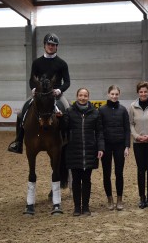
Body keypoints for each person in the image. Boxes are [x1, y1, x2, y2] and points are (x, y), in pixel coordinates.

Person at [8, 33, 71, 154]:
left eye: (53, 45)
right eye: (49, 44)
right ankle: (18, 142)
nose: (51, 47)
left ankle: (67, 139)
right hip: (39, 94)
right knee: (22, 111)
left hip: (56, 94)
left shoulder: (62, 63)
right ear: (44, 45)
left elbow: (67, 82)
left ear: (56, 47)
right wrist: (33, 89)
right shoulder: (37, 62)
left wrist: (59, 90)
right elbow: (32, 79)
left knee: (68, 109)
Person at [62, 88, 104, 216]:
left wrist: (100, 147)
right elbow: (64, 128)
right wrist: (61, 118)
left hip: (90, 150)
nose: (83, 98)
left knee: (86, 180)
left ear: (88, 97)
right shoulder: (69, 112)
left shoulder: (95, 113)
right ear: (77, 96)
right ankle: (76, 207)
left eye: (85, 96)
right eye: (80, 95)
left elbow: (99, 132)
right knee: (75, 180)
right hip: (74, 150)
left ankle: (85, 207)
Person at [99, 85, 130, 211]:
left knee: (119, 173)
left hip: (119, 145)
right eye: (112, 94)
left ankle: (119, 199)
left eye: (116, 94)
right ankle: (109, 198)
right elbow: (99, 130)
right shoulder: (101, 110)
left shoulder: (123, 110)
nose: (114, 96)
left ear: (119, 95)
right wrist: (100, 147)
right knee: (106, 173)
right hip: (106, 145)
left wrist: (127, 146)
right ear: (108, 94)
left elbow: (127, 129)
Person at [129, 81, 148, 209]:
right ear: (138, 92)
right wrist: (137, 136)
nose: (143, 94)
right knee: (141, 170)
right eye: (141, 91)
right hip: (138, 143)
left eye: (145, 91)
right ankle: (141, 198)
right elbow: (130, 124)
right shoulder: (132, 106)